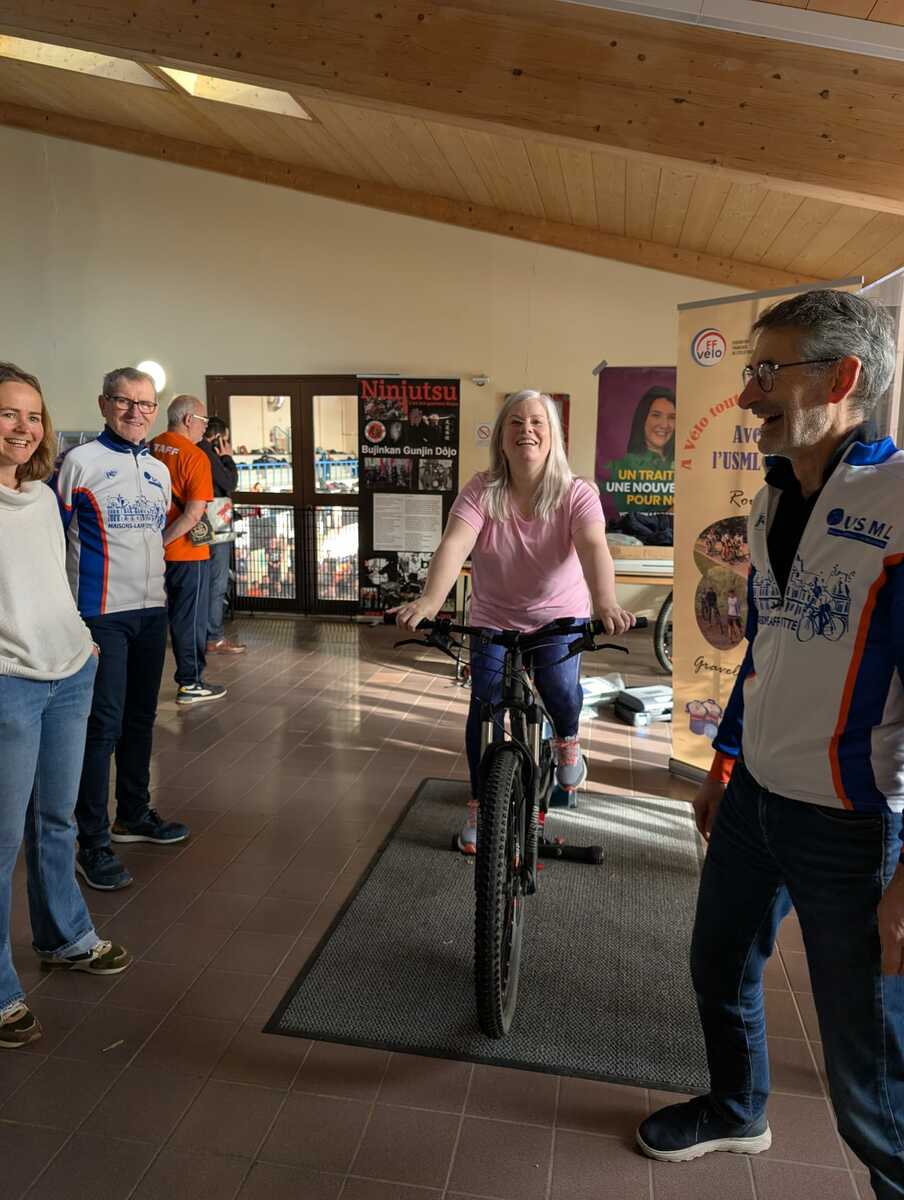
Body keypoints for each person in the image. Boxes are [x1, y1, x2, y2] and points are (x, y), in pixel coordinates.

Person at [637, 290, 904, 1200]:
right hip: (754, 800)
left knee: (872, 1086)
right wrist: (723, 764)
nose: (747, 396)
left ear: (842, 377)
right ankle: (736, 1109)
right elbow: (767, 650)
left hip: (852, 828)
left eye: (766, 372)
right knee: (718, 966)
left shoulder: (899, 505)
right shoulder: (772, 497)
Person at [394, 389, 634, 854]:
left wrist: (606, 604)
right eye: (516, 422)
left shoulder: (576, 493)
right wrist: (430, 601)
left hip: (558, 616)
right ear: (501, 438)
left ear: (554, 435)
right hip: (494, 617)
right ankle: (481, 807)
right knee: (484, 705)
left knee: (559, 689)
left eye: (538, 422)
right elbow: (454, 545)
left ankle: (567, 739)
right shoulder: (482, 490)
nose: (527, 430)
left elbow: (593, 547)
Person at [0, 362, 132, 1045]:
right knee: (1, 842)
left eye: (33, 415)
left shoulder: (41, 498)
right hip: (9, 682)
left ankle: (65, 937)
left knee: (56, 820)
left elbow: (55, 577)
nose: (23, 427)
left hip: (69, 672)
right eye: (7, 413)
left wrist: (83, 641)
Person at [54, 367, 190, 891]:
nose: (136, 412)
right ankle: (91, 842)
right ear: (103, 404)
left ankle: (133, 814)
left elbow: (155, 535)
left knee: (140, 718)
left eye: (146, 403)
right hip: (99, 614)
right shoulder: (79, 463)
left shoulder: (157, 469)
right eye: (124, 401)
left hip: (151, 611)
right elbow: (53, 538)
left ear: (155, 410)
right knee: (103, 726)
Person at [150, 395, 227, 706]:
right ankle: (191, 682)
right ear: (188, 420)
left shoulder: (152, 446)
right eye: (203, 421)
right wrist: (164, 541)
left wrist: (153, 546)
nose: (205, 427)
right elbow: (194, 514)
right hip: (186, 553)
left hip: (153, 556)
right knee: (189, 620)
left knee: (155, 618)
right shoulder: (195, 456)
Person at [199, 415, 245, 656]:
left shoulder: (194, 451)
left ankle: (203, 633)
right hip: (216, 525)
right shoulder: (207, 453)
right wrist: (227, 457)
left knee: (203, 580)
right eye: (225, 440)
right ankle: (213, 636)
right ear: (217, 438)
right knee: (217, 581)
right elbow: (229, 482)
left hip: (200, 523)